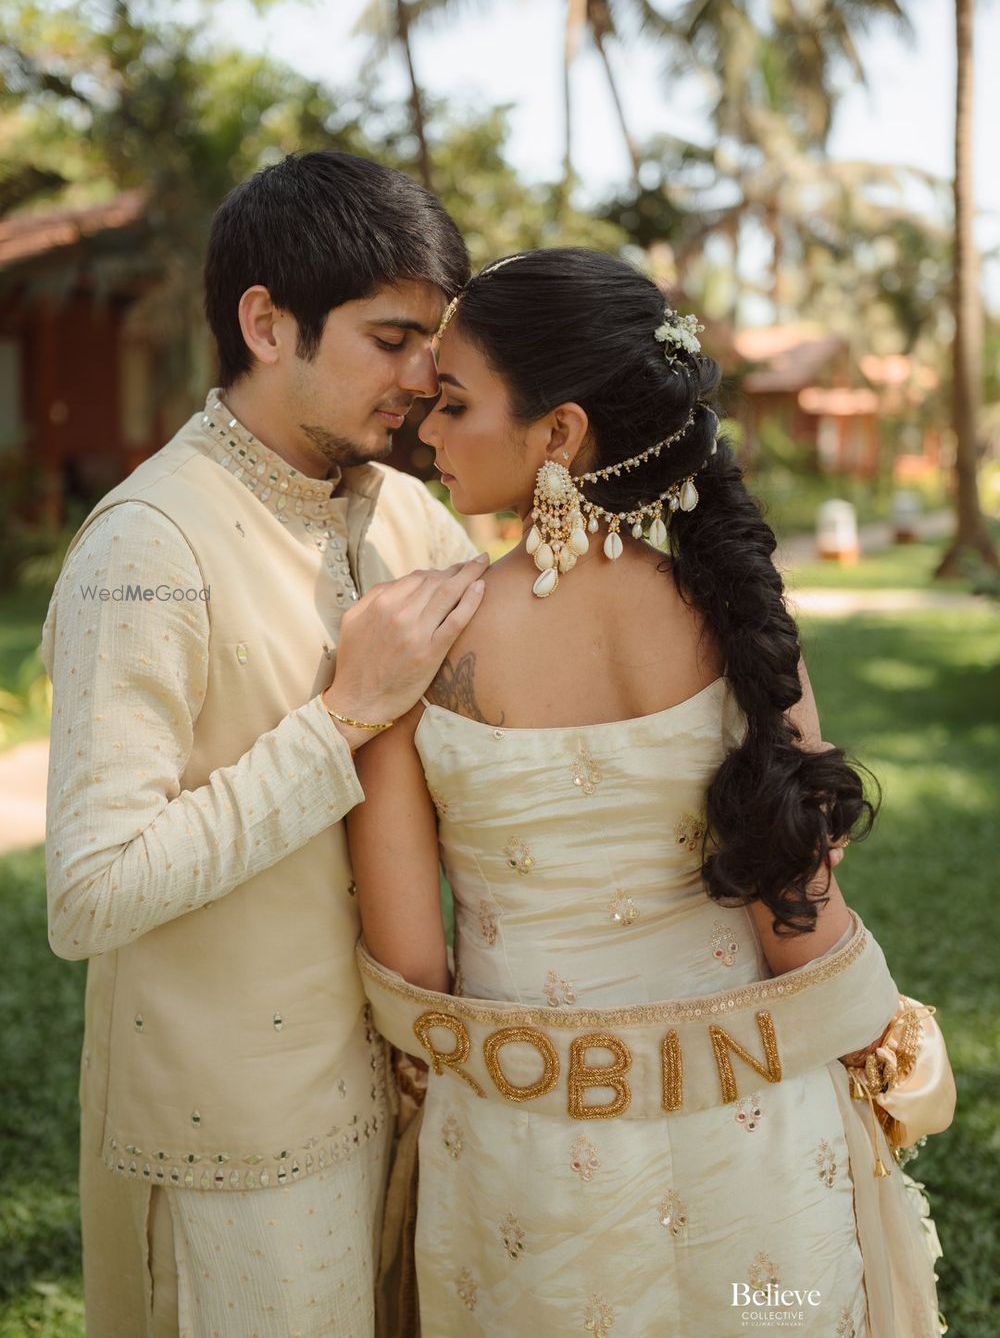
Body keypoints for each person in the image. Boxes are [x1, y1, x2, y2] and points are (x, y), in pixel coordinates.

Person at [348, 248, 947, 1336]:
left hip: (524, 1155)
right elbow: (797, 924)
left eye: (454, 402)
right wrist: (879, 1040)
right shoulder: (738, 624)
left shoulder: (416, 644)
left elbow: (412, 969)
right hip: (752, 1141)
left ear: (560, 433)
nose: (425, 430)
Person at [41, 150, 490, 1338]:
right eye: (389, 339)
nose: (422, 376)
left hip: (418, 1094)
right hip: (238, 1147)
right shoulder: (145, 547)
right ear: (266, 323)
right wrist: (339, 722)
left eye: (432, 342)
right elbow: (89, 891)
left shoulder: (406, 513)